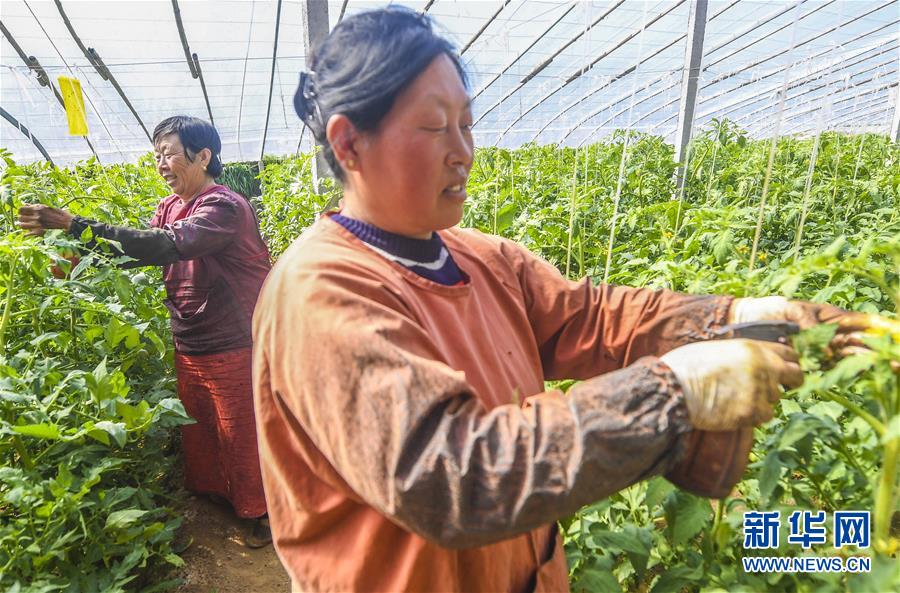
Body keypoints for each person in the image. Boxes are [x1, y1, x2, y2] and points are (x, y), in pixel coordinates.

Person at [251, 8, 881, 591]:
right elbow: (451, 473)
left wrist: (739, 318)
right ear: (348, 143)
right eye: (436, 126)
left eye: (466, 124)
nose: (463, 152)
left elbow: (594, 318)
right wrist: (671, 394)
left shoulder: (480, 259)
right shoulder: (321, 293)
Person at [18, 116, 273, 548]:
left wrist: (74, 224)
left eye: (169, 154)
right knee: (201, 423)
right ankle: (218, 492)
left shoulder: (223, 207)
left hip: (235, 336)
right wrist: (74, 256)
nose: (161, 164)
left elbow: (165, 244)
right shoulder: (170, 206)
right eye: (157, 155)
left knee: (241, 428)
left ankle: (261, 511)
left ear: (203, 156)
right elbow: (137, 250)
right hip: (191, 329)